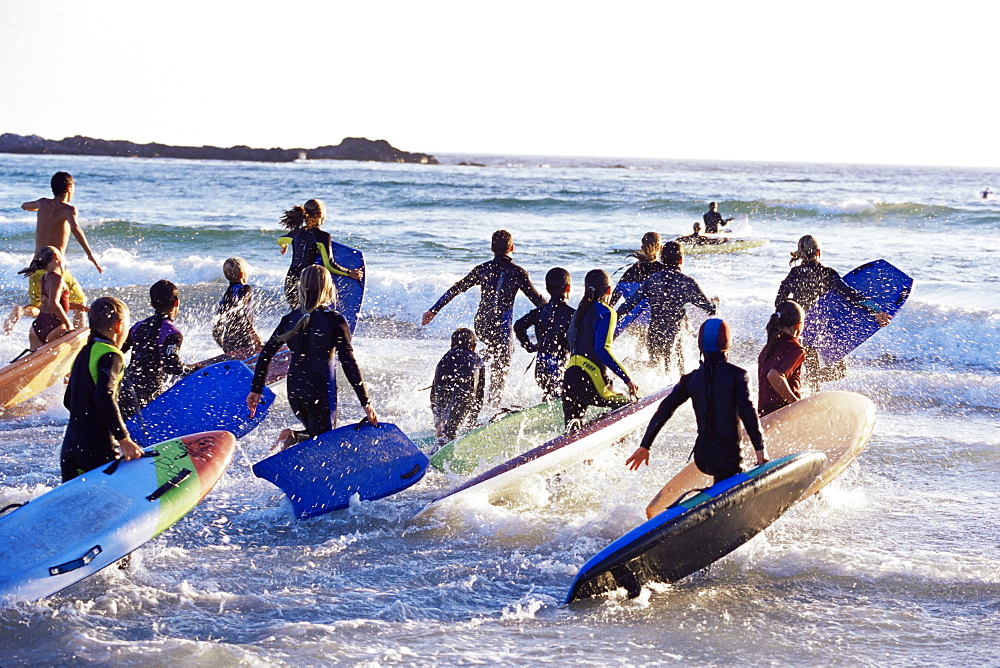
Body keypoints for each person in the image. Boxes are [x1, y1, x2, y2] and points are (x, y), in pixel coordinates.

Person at [626, 319, 768, 501]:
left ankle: (714, 497)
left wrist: (645, 445)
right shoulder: (737, 375)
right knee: (732, 483)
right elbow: (747, 411)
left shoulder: (690, 380)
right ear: (728, 344)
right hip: (729, 459)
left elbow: (664, 410)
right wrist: (760, 450)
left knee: (720, 479)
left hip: (703, 458)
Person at [247, 265, 378, 451]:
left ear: (301, 287)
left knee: (315, 437)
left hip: (295, 389)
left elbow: (266, 354)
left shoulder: (290, 318)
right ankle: (293, 439)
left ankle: (293, 437)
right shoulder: (335, 320)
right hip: (320, 390)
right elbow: (349, 363)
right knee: (323, 444)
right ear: (329, 288)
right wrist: (366, 403)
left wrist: (256, 389)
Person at [422, 230, 546, 405]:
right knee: (502, 362)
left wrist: (434, 310)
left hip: (482, 324)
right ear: (512, 247)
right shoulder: (518, 272)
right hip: (501, 326)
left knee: (494, 352)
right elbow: (538, 300)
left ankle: (470, 367)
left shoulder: (482, 269)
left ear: (492, 247)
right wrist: (560, 312)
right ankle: (493, 404)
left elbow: (457, 288)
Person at [774, 235, 890, 389]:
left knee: (813, 370)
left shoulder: (794, 274)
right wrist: (876, 310)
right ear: (819, 252)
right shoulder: (827, 273)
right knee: (839, 371)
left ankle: (807, 389)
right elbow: (850, 295)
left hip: (802, 328)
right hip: (824, 329)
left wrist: (791, 324)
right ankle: (806, 382)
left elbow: (779, 303)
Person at [61, 296, 144, 482]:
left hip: (71, 448)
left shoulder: (83, 353)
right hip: (96, 450)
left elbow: (68, 400)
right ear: (119, 327)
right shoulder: (112, 355)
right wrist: (124, 439)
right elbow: (104, 397)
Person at [617, 242, 717, 375]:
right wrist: (714, 302)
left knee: (654, 365)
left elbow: (630, 304)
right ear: (680, 260)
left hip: (654, 332)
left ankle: (631, 364)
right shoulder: (687, 282)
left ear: (662, 259)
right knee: (680, 370)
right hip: (675, 334)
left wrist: (612, 315)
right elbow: (710, 309)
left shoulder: (652, 280)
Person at [562, 269, 639, 429]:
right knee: (629, 405)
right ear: (609, 291)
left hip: (570, 377)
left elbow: (569, 341)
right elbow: (601, 349)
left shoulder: (579, 312)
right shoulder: (607, 312)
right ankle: (611, 444)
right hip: (591, 379)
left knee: (572, 432)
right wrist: (627, 379)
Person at [121, 280, 196, 418]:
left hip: (126, 389)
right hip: (149, 395)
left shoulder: (138, 326)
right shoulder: (172, 333)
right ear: (176, 302)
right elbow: (172, 367)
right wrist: (194, 369)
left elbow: (118, 350)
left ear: (152, 304)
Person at [277, 199, 362, 309]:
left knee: (298, 313)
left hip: (290, 281)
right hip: (309, 282)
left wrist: (285, 246)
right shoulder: (323, 236)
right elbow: (329, 265)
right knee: (311, 315)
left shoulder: (296, 233)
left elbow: (280, 240)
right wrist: (349, 273)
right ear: (320, 214)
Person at [23, 172, 103, 274]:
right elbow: (75, 229)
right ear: (69, 188)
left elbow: (24, 206)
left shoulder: (42, 203)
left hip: (35, 266)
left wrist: (41, 208)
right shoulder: (68, 210)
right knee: (72, 290)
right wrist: (90, 254)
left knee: (38, 290)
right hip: (53, 268)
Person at [514, 267, 575, 400]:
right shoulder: (572, 314)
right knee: (560, 397)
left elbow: (518, 326)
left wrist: (529, 346)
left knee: (549, 394)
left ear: (547, 289)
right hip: (558, 367)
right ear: (568, 288)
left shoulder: (540, 312)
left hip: (541, 365)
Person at [431, 328, 485, 446]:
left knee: (441, 410)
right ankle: (445, 441)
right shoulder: (476, 359)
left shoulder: (445, 358)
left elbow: (434, 393)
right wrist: (472, 422)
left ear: (451, 344)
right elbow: (478, 396)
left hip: (443, 376)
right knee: (453, 425)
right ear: (474, 346)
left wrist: (437, 419)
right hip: (468, 382)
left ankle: (440, 430)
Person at [14, 247, 74, 350]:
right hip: (55, 326)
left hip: (37, 326)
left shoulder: (45, 277)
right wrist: (69, 325)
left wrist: (81, 307)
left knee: (36, 362)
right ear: (56, 256)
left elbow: (49, 301)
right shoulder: (57, 279)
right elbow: (54, 303)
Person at [757, 301, 806, 417]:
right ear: (798, 325)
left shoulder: (769, 347)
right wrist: (796, 404)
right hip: (784, 415)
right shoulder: (796, 349)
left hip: (764, 415)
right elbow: (773, 375)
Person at [212, 257, 262, 356]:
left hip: (228, 339)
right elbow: (239, 309)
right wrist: (253, 333)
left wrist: (220, 340)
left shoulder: (227, 293)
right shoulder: (245, 289)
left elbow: (219, 319)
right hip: (244, 337)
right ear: (242, 275)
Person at [610, 232, 665, 305]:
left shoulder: (631, 271)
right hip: (655, 315)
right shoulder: (663, 270)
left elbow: (612, 301)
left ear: (642, 248)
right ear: (661, 248)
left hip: (632, 315)